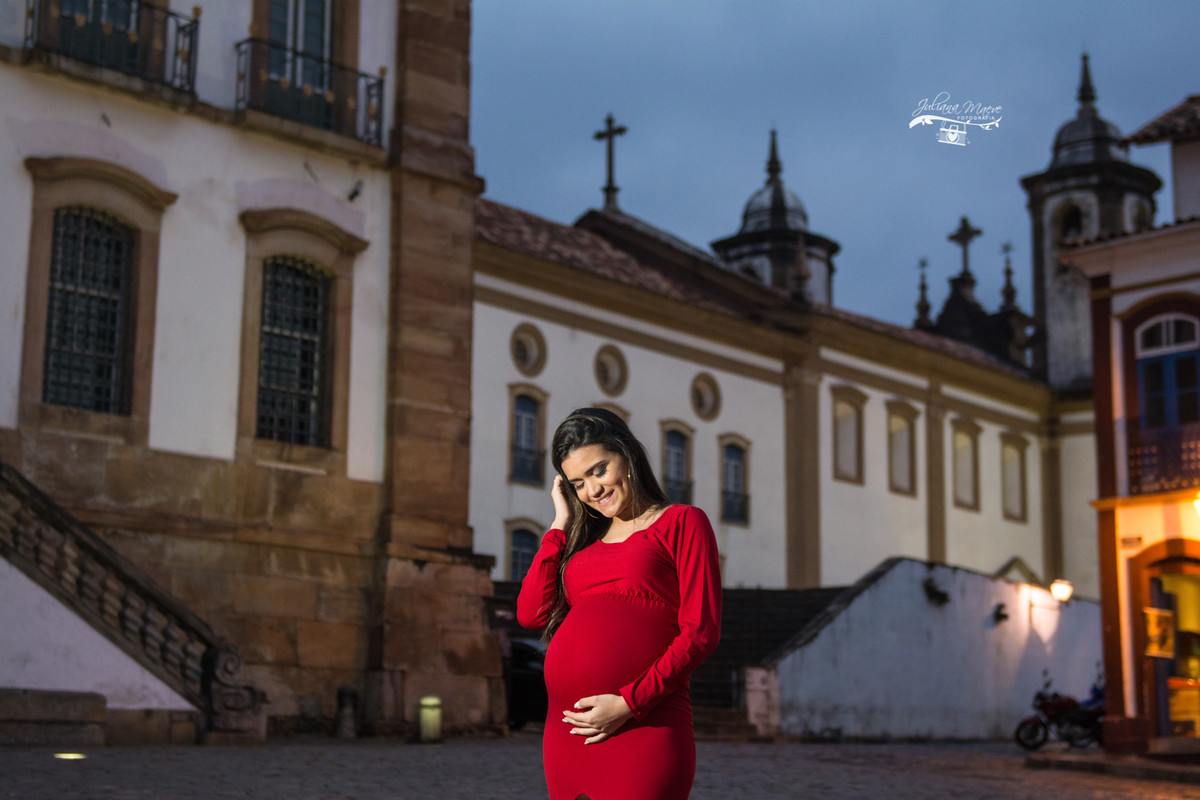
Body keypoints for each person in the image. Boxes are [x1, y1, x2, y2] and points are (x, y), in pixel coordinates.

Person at [517, 407, 722, 800]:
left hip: (645, 725)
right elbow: (531, 613)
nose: (592, 490)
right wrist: (560, 525)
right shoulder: (582, 548)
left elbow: (701, 633)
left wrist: (629, 702)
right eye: (578, 483)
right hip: (568, 735)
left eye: (599, 470)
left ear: (626, 455)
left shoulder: (682, 522)